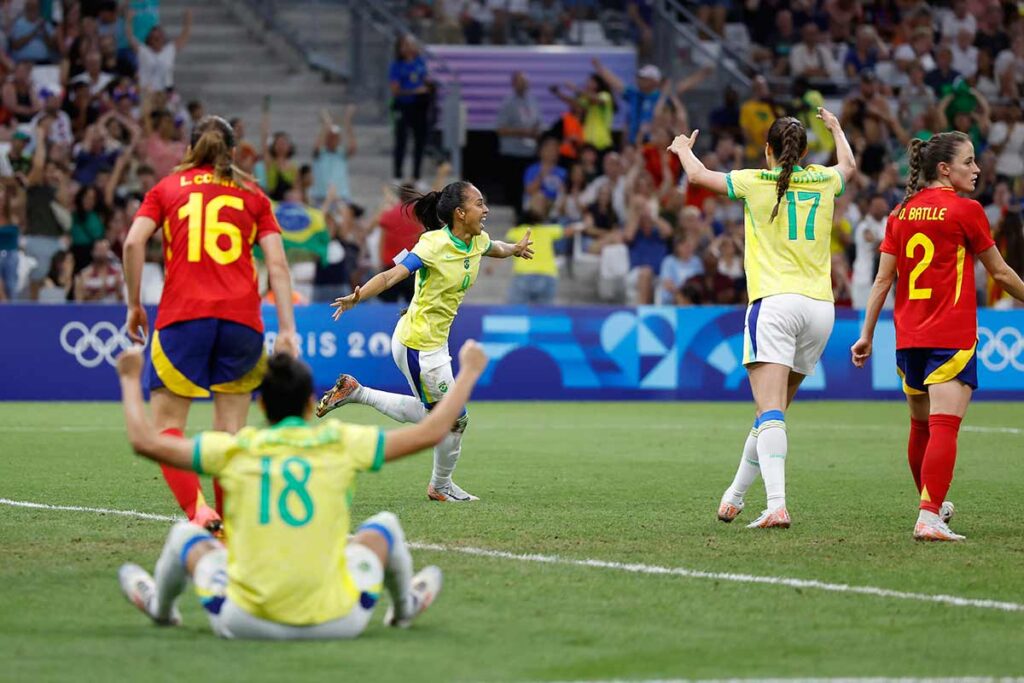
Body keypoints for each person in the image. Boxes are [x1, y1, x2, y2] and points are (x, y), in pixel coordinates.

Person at [115, 339, 490, 638]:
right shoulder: (338, 442)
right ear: (311, 403)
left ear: (261, 407)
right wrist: (469, 371)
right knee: (384, 528)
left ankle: (161, 610)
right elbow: (431, 430)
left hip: (245, 622)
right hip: (339, 621)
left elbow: (146, 442)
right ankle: (405, 608)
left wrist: (131, 379)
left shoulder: (235, 448)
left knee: (186, 536)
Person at [669, 109, 856, 528]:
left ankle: (776, 504)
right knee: (771, 412)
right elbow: (849, 166)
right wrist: (838, 130)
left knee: (769, 409)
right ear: (806, 152)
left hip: (775, 304)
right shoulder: (824, 181)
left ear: (767, 149)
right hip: (821, 310)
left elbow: (699, 177)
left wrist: (682, 149)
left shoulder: (755, 181)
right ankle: (734, 496)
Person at [122, 116, 299, 532]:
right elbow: (277, 263)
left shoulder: (165, 189)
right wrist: (288, 329)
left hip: (183, 317)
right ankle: (229, 528)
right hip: (242, 321)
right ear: (233, 152)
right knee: (230, 432)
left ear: (189, 148)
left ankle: (200, 514)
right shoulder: (253, 194)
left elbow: (132, 242)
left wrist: (134, 303)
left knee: (168, 428)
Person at [850, 132, 1024, 541]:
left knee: (920, 427)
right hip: (950, 333)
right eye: (969, 162)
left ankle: (931, 503)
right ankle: (928, 516)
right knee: (944, 427)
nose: (977, 169)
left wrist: (867, 334)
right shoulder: (967, 211)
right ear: (944, 169)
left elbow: (882, 280)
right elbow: (999, 273)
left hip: (908, 335)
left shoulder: (900, 213)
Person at [316, 181, 534, 502]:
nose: (486, 210)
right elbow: (393, 275)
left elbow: (494, 247)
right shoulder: (432, 246)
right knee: (453, 419)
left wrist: (513, 249)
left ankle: (357, 392)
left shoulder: (477, 240)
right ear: (460, 213)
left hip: (430, 342)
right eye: (479, 204)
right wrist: (358, 296)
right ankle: (440, 487)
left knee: (435, 414)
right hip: (418, 344)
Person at [495, 71, 541, 212]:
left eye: (525, 82)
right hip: (513, 152)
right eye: (521, 82)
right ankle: (515, 211)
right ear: (514, 83)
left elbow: (537, 122)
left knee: (529, 185)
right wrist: (523, 132)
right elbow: (501, 129)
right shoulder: (508, 103)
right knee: (514, 186)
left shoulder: (532, 101)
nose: (524, 85)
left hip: (529, 151)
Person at [389, 34, 430, 183]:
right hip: (403, 105)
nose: (408, 47)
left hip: (419, 106)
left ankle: (417, 175)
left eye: (411, 44)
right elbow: (395, 89)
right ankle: (398, 174)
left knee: (420, 141)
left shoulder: (420, 62)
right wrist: (414, 91)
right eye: (405, 44)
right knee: (401, 140)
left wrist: (425, 89)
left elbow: (425, 81)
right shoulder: (396, 65)